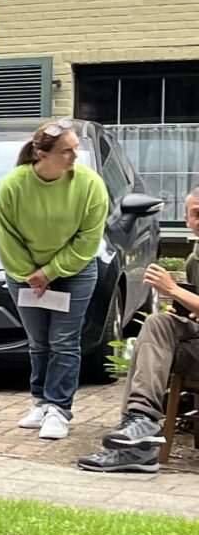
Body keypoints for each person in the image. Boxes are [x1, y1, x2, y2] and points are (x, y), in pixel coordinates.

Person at [0, 121, 109, 443]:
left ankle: (60, 409)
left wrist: (50, 272)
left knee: (64, 341)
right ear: (41, 154)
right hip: (25, 274)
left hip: (74, 272)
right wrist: (30, 274)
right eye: (66, 151)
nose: (75, 157)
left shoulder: (90, 185)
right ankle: (41, 402)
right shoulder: (13, 185)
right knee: (39, 342)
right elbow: (7, 237)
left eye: (76, 150)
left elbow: (89, 240)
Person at [79, 187, 199, 473]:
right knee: (155, 328)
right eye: (196, 214)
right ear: (186, 220)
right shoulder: (195, 260)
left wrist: (173, 290)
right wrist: (183, 310)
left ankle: (139, 442)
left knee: (157, 331)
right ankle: (139, 427)